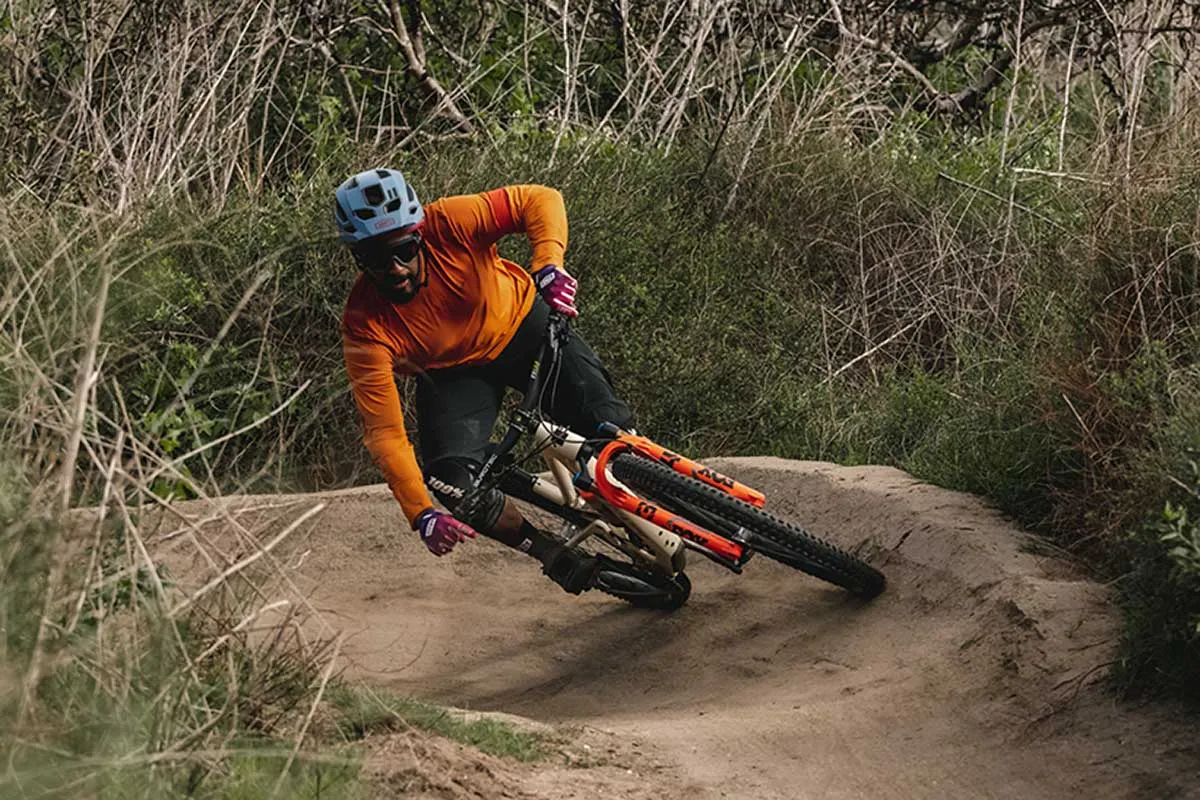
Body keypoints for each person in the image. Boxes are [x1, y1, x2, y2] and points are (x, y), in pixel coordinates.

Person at [336, 168, 635, 595]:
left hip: (521, 325)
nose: (396, 268)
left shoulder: (450, 221)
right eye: (376, 260)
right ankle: (552, 554)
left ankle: (649, 492)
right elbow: (384, 432)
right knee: (451, 480)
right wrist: (420, 512)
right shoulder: (363, 325)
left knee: (608, 425)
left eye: (404, 250)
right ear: (357, 259)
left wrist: (548, 265)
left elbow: (539, 198)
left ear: (419, 234)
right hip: (452, 375)